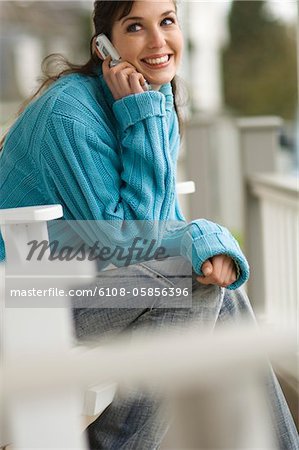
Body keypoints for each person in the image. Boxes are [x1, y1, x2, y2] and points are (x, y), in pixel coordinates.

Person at [0, 1, 298, 449]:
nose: (158, 42)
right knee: (195, 279)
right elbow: (125, 244)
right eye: (135, 27)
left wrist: (145, 113)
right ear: (105, 45)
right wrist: (201, 235)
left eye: (168, 21)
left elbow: (158, 230)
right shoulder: (70, 114)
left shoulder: (151, 101)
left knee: (213, 282)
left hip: (88, 286)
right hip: (27, 297)